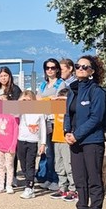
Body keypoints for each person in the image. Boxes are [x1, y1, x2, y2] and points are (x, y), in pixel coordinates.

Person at [64, 55, 106, 209]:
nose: (80, 69)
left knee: (94, 178)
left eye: (85, 66)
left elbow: (96, 118)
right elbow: (68, 114)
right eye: (78, 66)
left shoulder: (96, 91)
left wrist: (77, 134)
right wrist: (67, 132)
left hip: (92, 140)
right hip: (75, 140)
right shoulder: (72, 90)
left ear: (92, 71)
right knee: (79, 178)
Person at [35, 58, 63, 190]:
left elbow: (58, 102)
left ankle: (56, 179)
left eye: (53, 67)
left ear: (57, 69)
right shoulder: (42, 85)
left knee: (56, 152)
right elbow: (37, 102)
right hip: (44, 121)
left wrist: (44, 100)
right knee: (47, 152)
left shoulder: (61, 84)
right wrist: (48, 100)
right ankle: (48, 177)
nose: (50, 70)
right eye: (47, 68)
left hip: (55, 121)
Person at [16, 90, 47, 199]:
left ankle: (29, 187)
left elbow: (43, 127)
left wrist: (43, 143)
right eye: (25, 100)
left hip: (32, 142)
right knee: (23, 164)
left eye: (29, 100)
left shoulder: (39, 111)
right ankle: (29, 182)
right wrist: (20, 100)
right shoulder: (20, 110)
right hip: (21, 140)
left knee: (30, 164)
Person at [49, 87, 76, 202]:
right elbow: (40, 103)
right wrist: (54, 98)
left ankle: (73, 189)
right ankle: (62, 188)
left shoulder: (70, 109)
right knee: (59, 166)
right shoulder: (56, 108)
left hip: (66, 141)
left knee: (69, 166)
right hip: (57, 140)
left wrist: (66, 99)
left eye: (63, 100)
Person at [0, 89, 19, 194]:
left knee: (9, 166)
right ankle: (0, 185)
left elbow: (16, 131)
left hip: (9, 146)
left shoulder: (14, 116)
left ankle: (9, 185)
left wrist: (13, 146)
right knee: (0, 166)